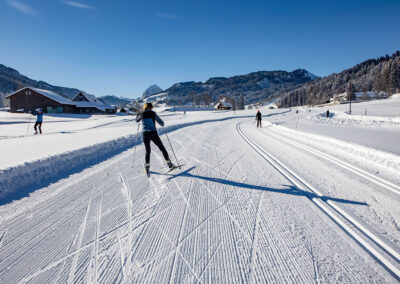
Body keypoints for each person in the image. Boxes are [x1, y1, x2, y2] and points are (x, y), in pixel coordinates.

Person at [136, 103, 175, 175]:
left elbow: (137, 120)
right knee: (162, 149)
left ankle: (147, 166)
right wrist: (162, 124)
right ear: (150, 107)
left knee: (147, 151)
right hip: (153, 134)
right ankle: (169, 164)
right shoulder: (153, 113)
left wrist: (138, 114)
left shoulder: (141, 113)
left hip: (145, 135)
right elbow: (161, 122)